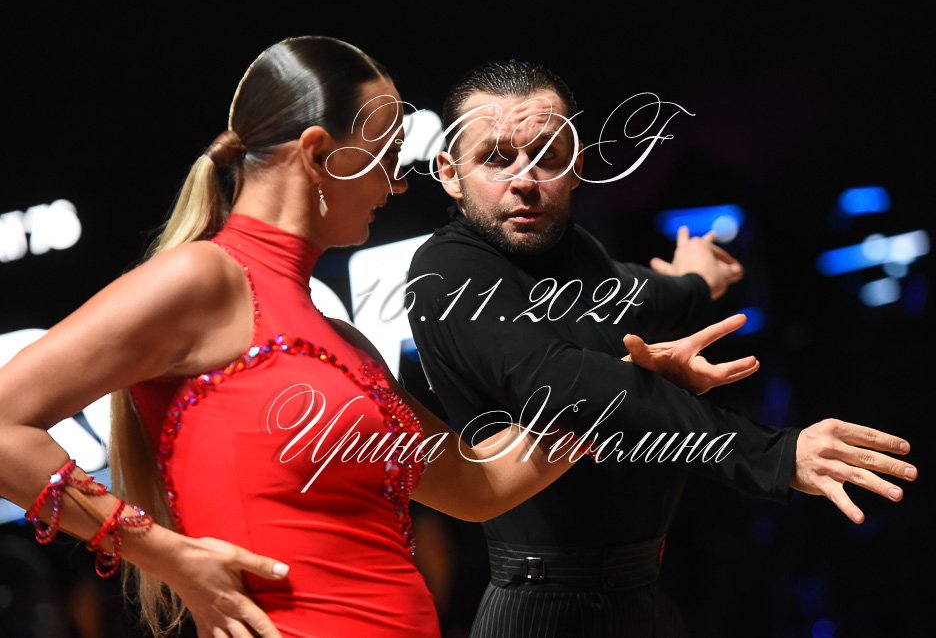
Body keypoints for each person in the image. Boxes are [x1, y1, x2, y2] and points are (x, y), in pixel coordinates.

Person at [0, 38, 732, 638]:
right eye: (386, 154)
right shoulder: (206, 279)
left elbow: (475, 485)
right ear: (320, 153)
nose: (398, 183)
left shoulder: (344, 343)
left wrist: (636, 384)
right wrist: (165, 555)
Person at [406, 59, 919, 637]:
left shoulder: (576, 251)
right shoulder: (448, 270)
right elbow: (566, 384)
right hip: (544, 607)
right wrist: (770, 454)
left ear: (576, 168)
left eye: (546, 155)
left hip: (639, 593)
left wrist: (697, 280)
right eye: (496, 158)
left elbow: (643, 294)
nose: (524, 178)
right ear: (450, 173)